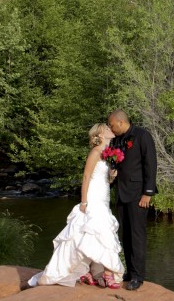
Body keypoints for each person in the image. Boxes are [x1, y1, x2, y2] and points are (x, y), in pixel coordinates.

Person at [28, 123, 124, 289]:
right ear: (100, 135)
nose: (110, 130)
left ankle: (86, 272)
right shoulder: (95, 152)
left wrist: (112, 176)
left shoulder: (106, 154)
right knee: (99, 231)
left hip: (104, 196)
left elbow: (105, 180)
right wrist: (84, 201)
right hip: (93, 197)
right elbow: (86, 178)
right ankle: (106, 274)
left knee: (94, 234)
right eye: (107, 129)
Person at [108, 109, 157, 291]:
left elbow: (150, 165)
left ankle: (138, 276)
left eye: (112, 125)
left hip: (138, 194)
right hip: (121, 193)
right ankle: (129, 271)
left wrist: (148, 193)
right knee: (126, 235)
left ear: (120, 122)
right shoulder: (117, 139)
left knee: (137, 235)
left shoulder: (142, 136)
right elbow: (116, 163)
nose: (111, 129)